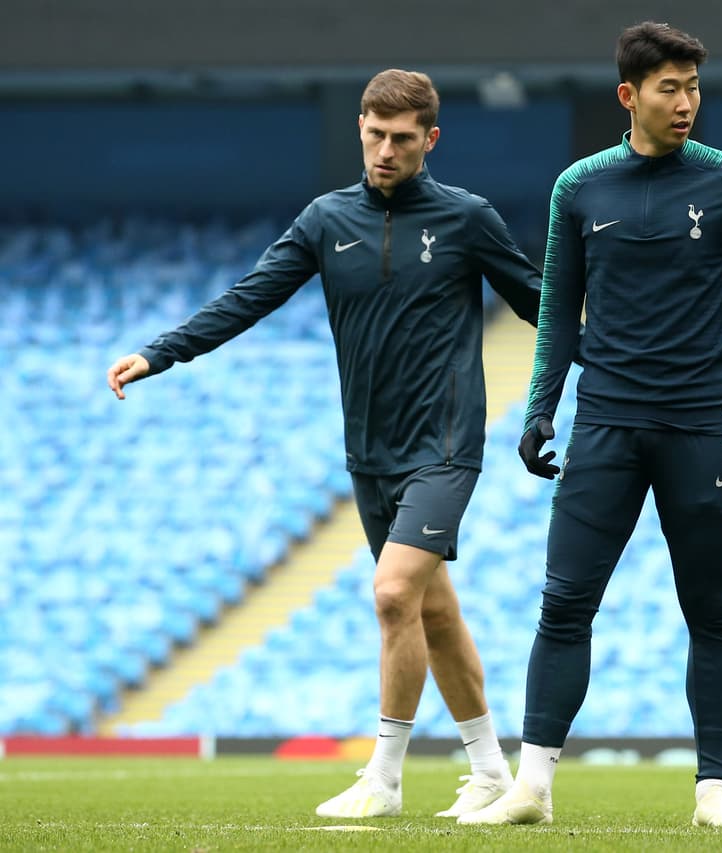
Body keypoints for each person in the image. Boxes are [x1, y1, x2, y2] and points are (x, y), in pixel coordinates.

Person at [106, 69, 540, 819]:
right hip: (369, 452)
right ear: (360, 130)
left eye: (402, 138)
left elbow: (539, 301)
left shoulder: (467, 219)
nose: (385, 150)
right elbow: (251, 297)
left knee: (394, 592)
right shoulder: (325, 218)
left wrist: (618, 361)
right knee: (432, 611)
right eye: (375, 135)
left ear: (430, 140)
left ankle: (384, 778)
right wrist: (160, 352)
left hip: (444, 444)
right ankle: (491, 771)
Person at [459, 22, 722, 829]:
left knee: (712, 614)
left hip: (700, 428)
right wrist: (540, 407)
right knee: (563, 606)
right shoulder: (579, 188)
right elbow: (558, 312)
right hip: (606, 426)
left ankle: (713, 792)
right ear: (629, 95)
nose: (686, 103)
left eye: (694, 87)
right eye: (669, 88)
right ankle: (532, 787)